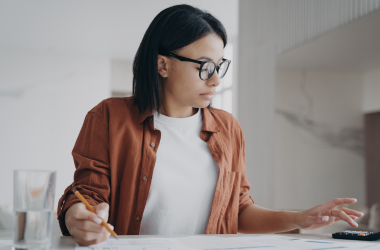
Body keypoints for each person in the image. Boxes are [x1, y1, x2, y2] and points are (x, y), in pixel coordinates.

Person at [57, 4, 364, 247]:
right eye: (204, 67)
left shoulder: (228, 129)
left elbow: (239, 211)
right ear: (162, 64)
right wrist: (77, 218)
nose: (216, 80)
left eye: (219, 67)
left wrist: (301, 218)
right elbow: (86, 196)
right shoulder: (109, 117)